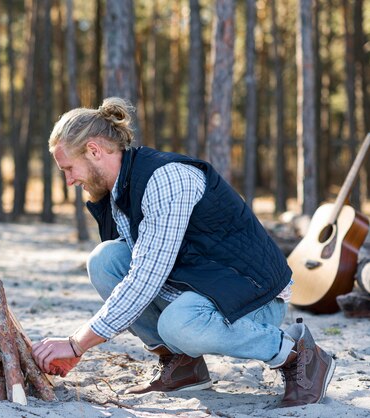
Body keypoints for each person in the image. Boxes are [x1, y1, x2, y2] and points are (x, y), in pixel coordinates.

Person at [32, 97, 335, 407]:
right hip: (205, 286)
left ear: (94, 150)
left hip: (255, 297)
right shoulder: (117, 191)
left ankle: (297, 354)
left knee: (179, 325)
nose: (69, 180)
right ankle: (184, 367)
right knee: (105, 261)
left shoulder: (166, 179)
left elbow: (145, 279)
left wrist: (76, 344)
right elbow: (137, 270)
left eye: (69, 168)